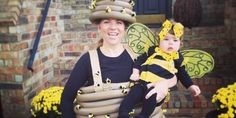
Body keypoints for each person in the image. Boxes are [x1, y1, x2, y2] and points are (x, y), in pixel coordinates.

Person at [60, 0, 177, 118]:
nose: (113, 27)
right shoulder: (87, 61)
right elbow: (66, 99)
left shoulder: (138, 59)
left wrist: (164, 84)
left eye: (119, 22)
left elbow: (171, 74)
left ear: (124, 28)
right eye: (106, 22)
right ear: (99, 27)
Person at [118, 20, 201, 118]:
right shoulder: (153, 51)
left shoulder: (178, 59)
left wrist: (190, 86)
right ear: (159, 41)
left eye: (175, 40)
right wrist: (135, 72)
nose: (170, 43)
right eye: (166, 39)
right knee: (132, 94)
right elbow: (139, 60)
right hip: (142, 83)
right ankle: (123, 113)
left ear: (180, 44)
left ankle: (143, 116)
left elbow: (183, 74)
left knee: (152, 97)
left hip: (157, 87)